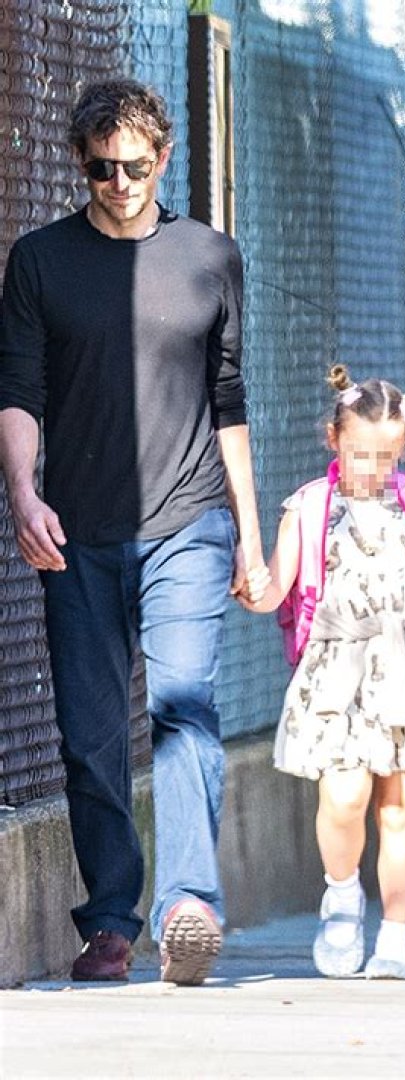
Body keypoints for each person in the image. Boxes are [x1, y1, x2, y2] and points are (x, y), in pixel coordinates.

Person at [0, 79, 267, 985]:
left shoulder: (210, 257)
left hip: (190, 520)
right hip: (76, 530)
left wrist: (251, 536)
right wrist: (24, 494)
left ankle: (188, 906)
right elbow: (18, 389)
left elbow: (230, 402)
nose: (120, 183)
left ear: (165, 156)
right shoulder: (40, 261)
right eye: (103, 169)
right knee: (88, 734)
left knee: (183, 699)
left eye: (137, 166)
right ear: (81, 164)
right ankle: (111, 919)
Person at [240, 364, 405, 979]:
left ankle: (396, 939)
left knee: (400, 806)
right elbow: (276, 589)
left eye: (386, 456)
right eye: (359, 454)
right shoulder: (309, 508)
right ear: (333, 439)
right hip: (338, 670)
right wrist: (254, 585)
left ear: (402, 448)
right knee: (344, 796)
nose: (373, 469)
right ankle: (343, 893)